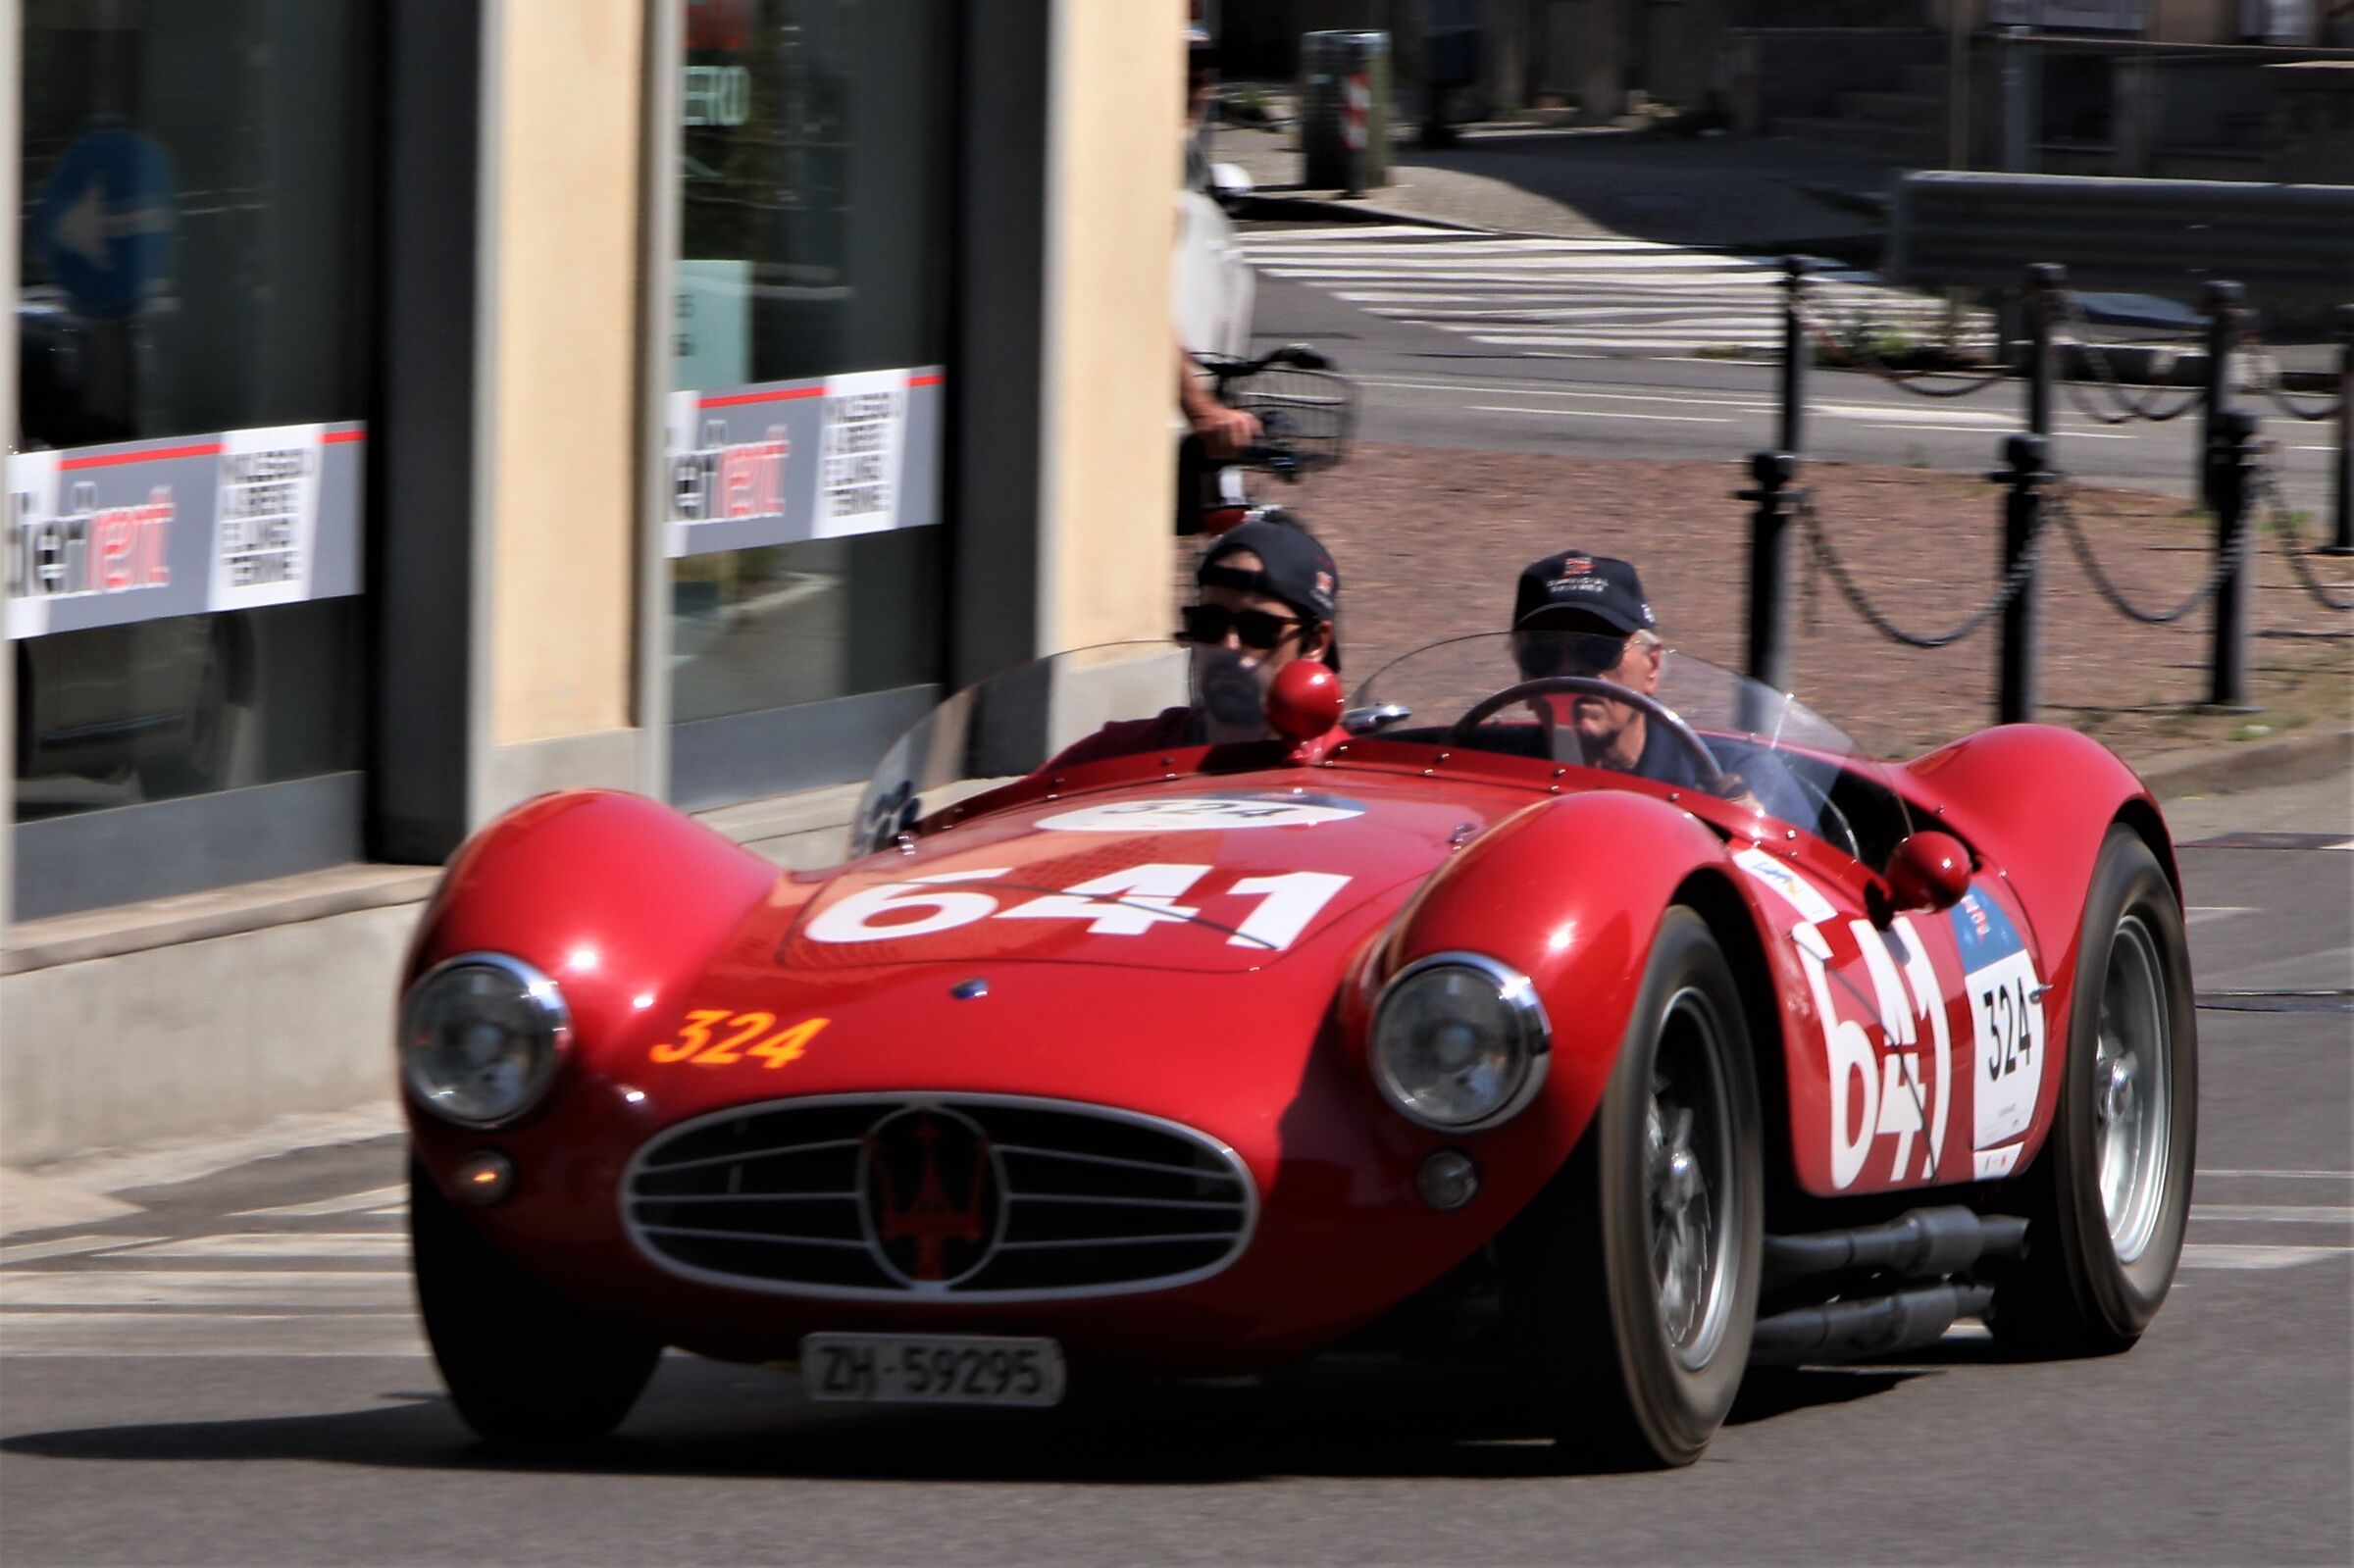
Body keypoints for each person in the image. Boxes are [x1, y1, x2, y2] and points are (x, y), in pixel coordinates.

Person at [1049, 517, 1341, 769]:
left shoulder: (1351, 773)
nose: (1228, 645)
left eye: (1258, 629)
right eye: (1209, 623)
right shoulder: (1119, 755)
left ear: (1315, 642)